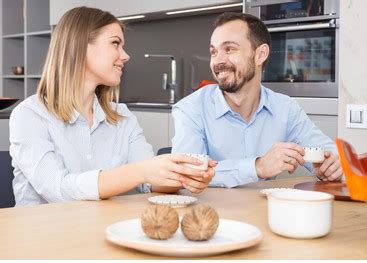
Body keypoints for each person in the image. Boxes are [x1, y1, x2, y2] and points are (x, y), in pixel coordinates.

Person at [9, 7, 216, 206]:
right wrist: (140, 171)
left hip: (102, 230)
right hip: (42, 237)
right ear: (79, 46)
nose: (125, 55)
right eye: (115, 44)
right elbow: (58, 189)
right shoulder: (30, 115)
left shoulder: (123, 117)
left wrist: (181, 177)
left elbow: (149, 183)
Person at [171, 12, 342, 188]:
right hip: (211, 213)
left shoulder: (286, 109)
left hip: (265, 212)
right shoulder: (191, 109)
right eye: (214, 52)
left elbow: (330, 153)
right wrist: (257, 167)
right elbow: (187, 174)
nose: (218, 61)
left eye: (229, 49)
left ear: (260, 55)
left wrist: (335, 165)